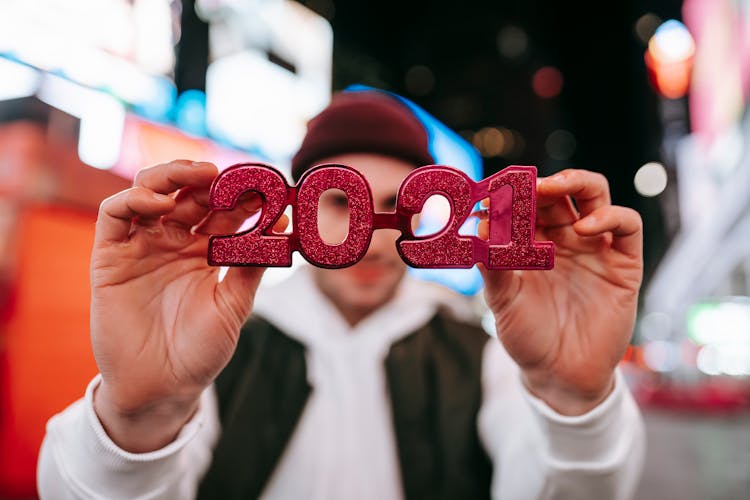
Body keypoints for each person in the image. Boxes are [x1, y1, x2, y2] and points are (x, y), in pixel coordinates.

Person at [37, 90, 645, 499]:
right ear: (298, 207)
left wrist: (574, 403)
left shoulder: (484, 353)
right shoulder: (222, 342)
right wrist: (138, 418)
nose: (374, 241)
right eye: (342, 200)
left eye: (398, 206)